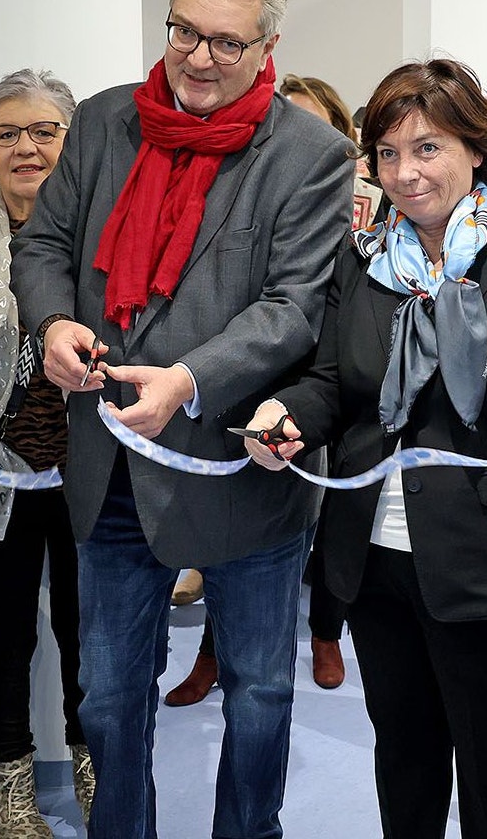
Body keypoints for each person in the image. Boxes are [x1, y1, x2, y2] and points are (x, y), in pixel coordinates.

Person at [11, 0, 353, 839]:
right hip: (112, 473)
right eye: (184, 32)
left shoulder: (311, 154)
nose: (199, 59)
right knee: (113, 698)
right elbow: (43, 246)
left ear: (267, 45)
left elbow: (293, 307)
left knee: (258, 695)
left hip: (239, 469)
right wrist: (52, 324)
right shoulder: (100, 123)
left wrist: (192, 379)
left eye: (226, 44)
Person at [240, 58, 487, 839]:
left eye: (428, 148)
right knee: (405, 766)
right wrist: (285, 414)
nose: (405, 174)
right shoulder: (364, 261)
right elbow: (332, 383)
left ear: (476, 149)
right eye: (386, 154)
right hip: (376, 562)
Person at [164, 70, 359, 707]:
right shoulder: (248, 194)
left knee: (324, 523)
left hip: (327, 384)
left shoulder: (376, 214)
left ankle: (325, 635)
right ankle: (212, 652)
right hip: (257, 381)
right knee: (236, 540)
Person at [0, 67, 96, 837]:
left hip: (90, 474)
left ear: (71, 144)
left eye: (45, 131)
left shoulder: (100, 241)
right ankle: (6, 781)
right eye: (8, 132)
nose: (25, 147)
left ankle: (92, 761)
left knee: (91, 629)